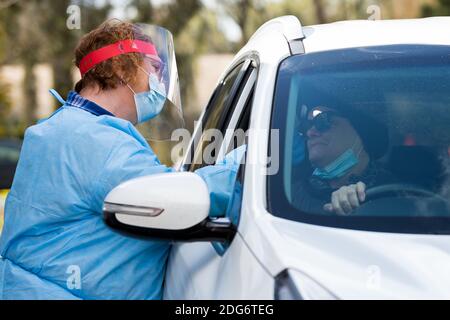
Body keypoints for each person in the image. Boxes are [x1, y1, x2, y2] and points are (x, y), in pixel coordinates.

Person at [0, 20, 245, 300]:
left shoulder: (59, 129)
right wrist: (251, 160)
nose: (159, 82)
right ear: (119, 69)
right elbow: (172, 196)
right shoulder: (94, 141)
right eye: (154, 67)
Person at [293, 106, 396, 216]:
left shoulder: (394, 192)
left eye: (322, 121)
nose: (310, 133)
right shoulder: (291, 193)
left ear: (361, 132)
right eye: (305, 127)